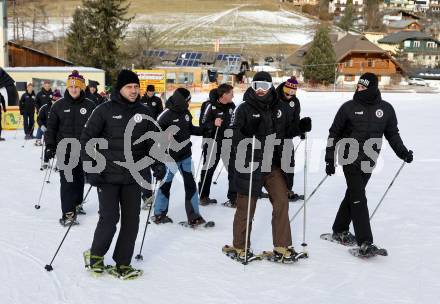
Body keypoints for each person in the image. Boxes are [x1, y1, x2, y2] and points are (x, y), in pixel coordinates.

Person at [81, 69, 165, 279]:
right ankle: (96, 257)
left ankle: (123, 263)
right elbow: (87, 140)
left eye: (136, 87)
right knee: (109, 219)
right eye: (129, 87)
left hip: (133, 176)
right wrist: (91, 168)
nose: (134, 90)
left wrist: (157, 163)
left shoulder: (145, 111)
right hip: (107, 175)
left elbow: (151, 142)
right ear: (120, 88)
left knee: (132, 220)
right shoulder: (104, 110)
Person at [223, 72, 311, 263]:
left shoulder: (279, 107)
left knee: (281, 202)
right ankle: (240, 247)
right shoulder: (243, 109)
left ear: (271, 86)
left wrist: (299, 127)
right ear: (252, 86)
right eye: (256, 85)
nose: (260, 90)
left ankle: (282, 246)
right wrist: (246, 133)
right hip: (249, 164)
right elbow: (232, 134)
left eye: (264, 85)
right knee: (247, 208)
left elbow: (285, 131)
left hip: (271, 164)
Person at [325, 72, 413, 256]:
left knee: (353, 194)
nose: (359, 89)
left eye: (364, 87)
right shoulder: (348, 107)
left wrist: (402, 152)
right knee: (359, 198)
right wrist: (329, 158)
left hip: (370, 160)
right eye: (359, 86)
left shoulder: (386, 109)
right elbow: (334, 133)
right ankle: (365, 241)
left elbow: (392, 134)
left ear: (372, 88)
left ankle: (339, 229)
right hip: (349, 158)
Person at [44, 71, 95, 226]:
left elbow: (97, 128)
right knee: (67, 180)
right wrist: (49, 146)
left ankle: (77, 203)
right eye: (71, 86)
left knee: (79, 178)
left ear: (81, 88)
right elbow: (51, 128)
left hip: (83, 149)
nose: (73, 89)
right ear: (68, 87)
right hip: (64, 149)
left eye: (76, 86)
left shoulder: (90, 105)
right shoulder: (58, 105)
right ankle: (68, 214)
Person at [153, 88, 207, 226]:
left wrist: (207, 128)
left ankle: (194, 216)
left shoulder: (185, 112)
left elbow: (191, 129)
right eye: (188, 100)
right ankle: (159, 213)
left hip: (186, 156)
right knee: (166, 184)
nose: (190, 102)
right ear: (183, 100)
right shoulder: (166, 114)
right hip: (170, 157)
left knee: (190, 185)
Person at [198, 83, 236, 206]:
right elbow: (202, 125)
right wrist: (213, 123)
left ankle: (233, 198)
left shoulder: (232, 106)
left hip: (227, 142)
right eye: (231, 94)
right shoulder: (209, 105)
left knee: (233, 170)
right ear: (224, 95)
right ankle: (203, 196)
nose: (233, 96)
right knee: (208, 169)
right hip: (212, 142)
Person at [276, 76, 309, 202]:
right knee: (274, 167)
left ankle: (288, 190)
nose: (290, 94)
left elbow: (296, 120)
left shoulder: (295, 102)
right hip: (273, 138)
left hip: (287, 138)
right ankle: (273, 190)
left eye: (293, 92)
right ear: (284, 88)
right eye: (289, 91)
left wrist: (300, 130)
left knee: (289, 165)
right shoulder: (274, 99)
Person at [139, 84, 164, 208]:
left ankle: (147, 196)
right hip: (138, 134)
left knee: (146, 166)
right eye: (149, 92)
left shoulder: (157, 100)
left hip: (152, 132)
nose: (151, 94)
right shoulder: (140, 100)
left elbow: (160, 115)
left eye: (152, 92)